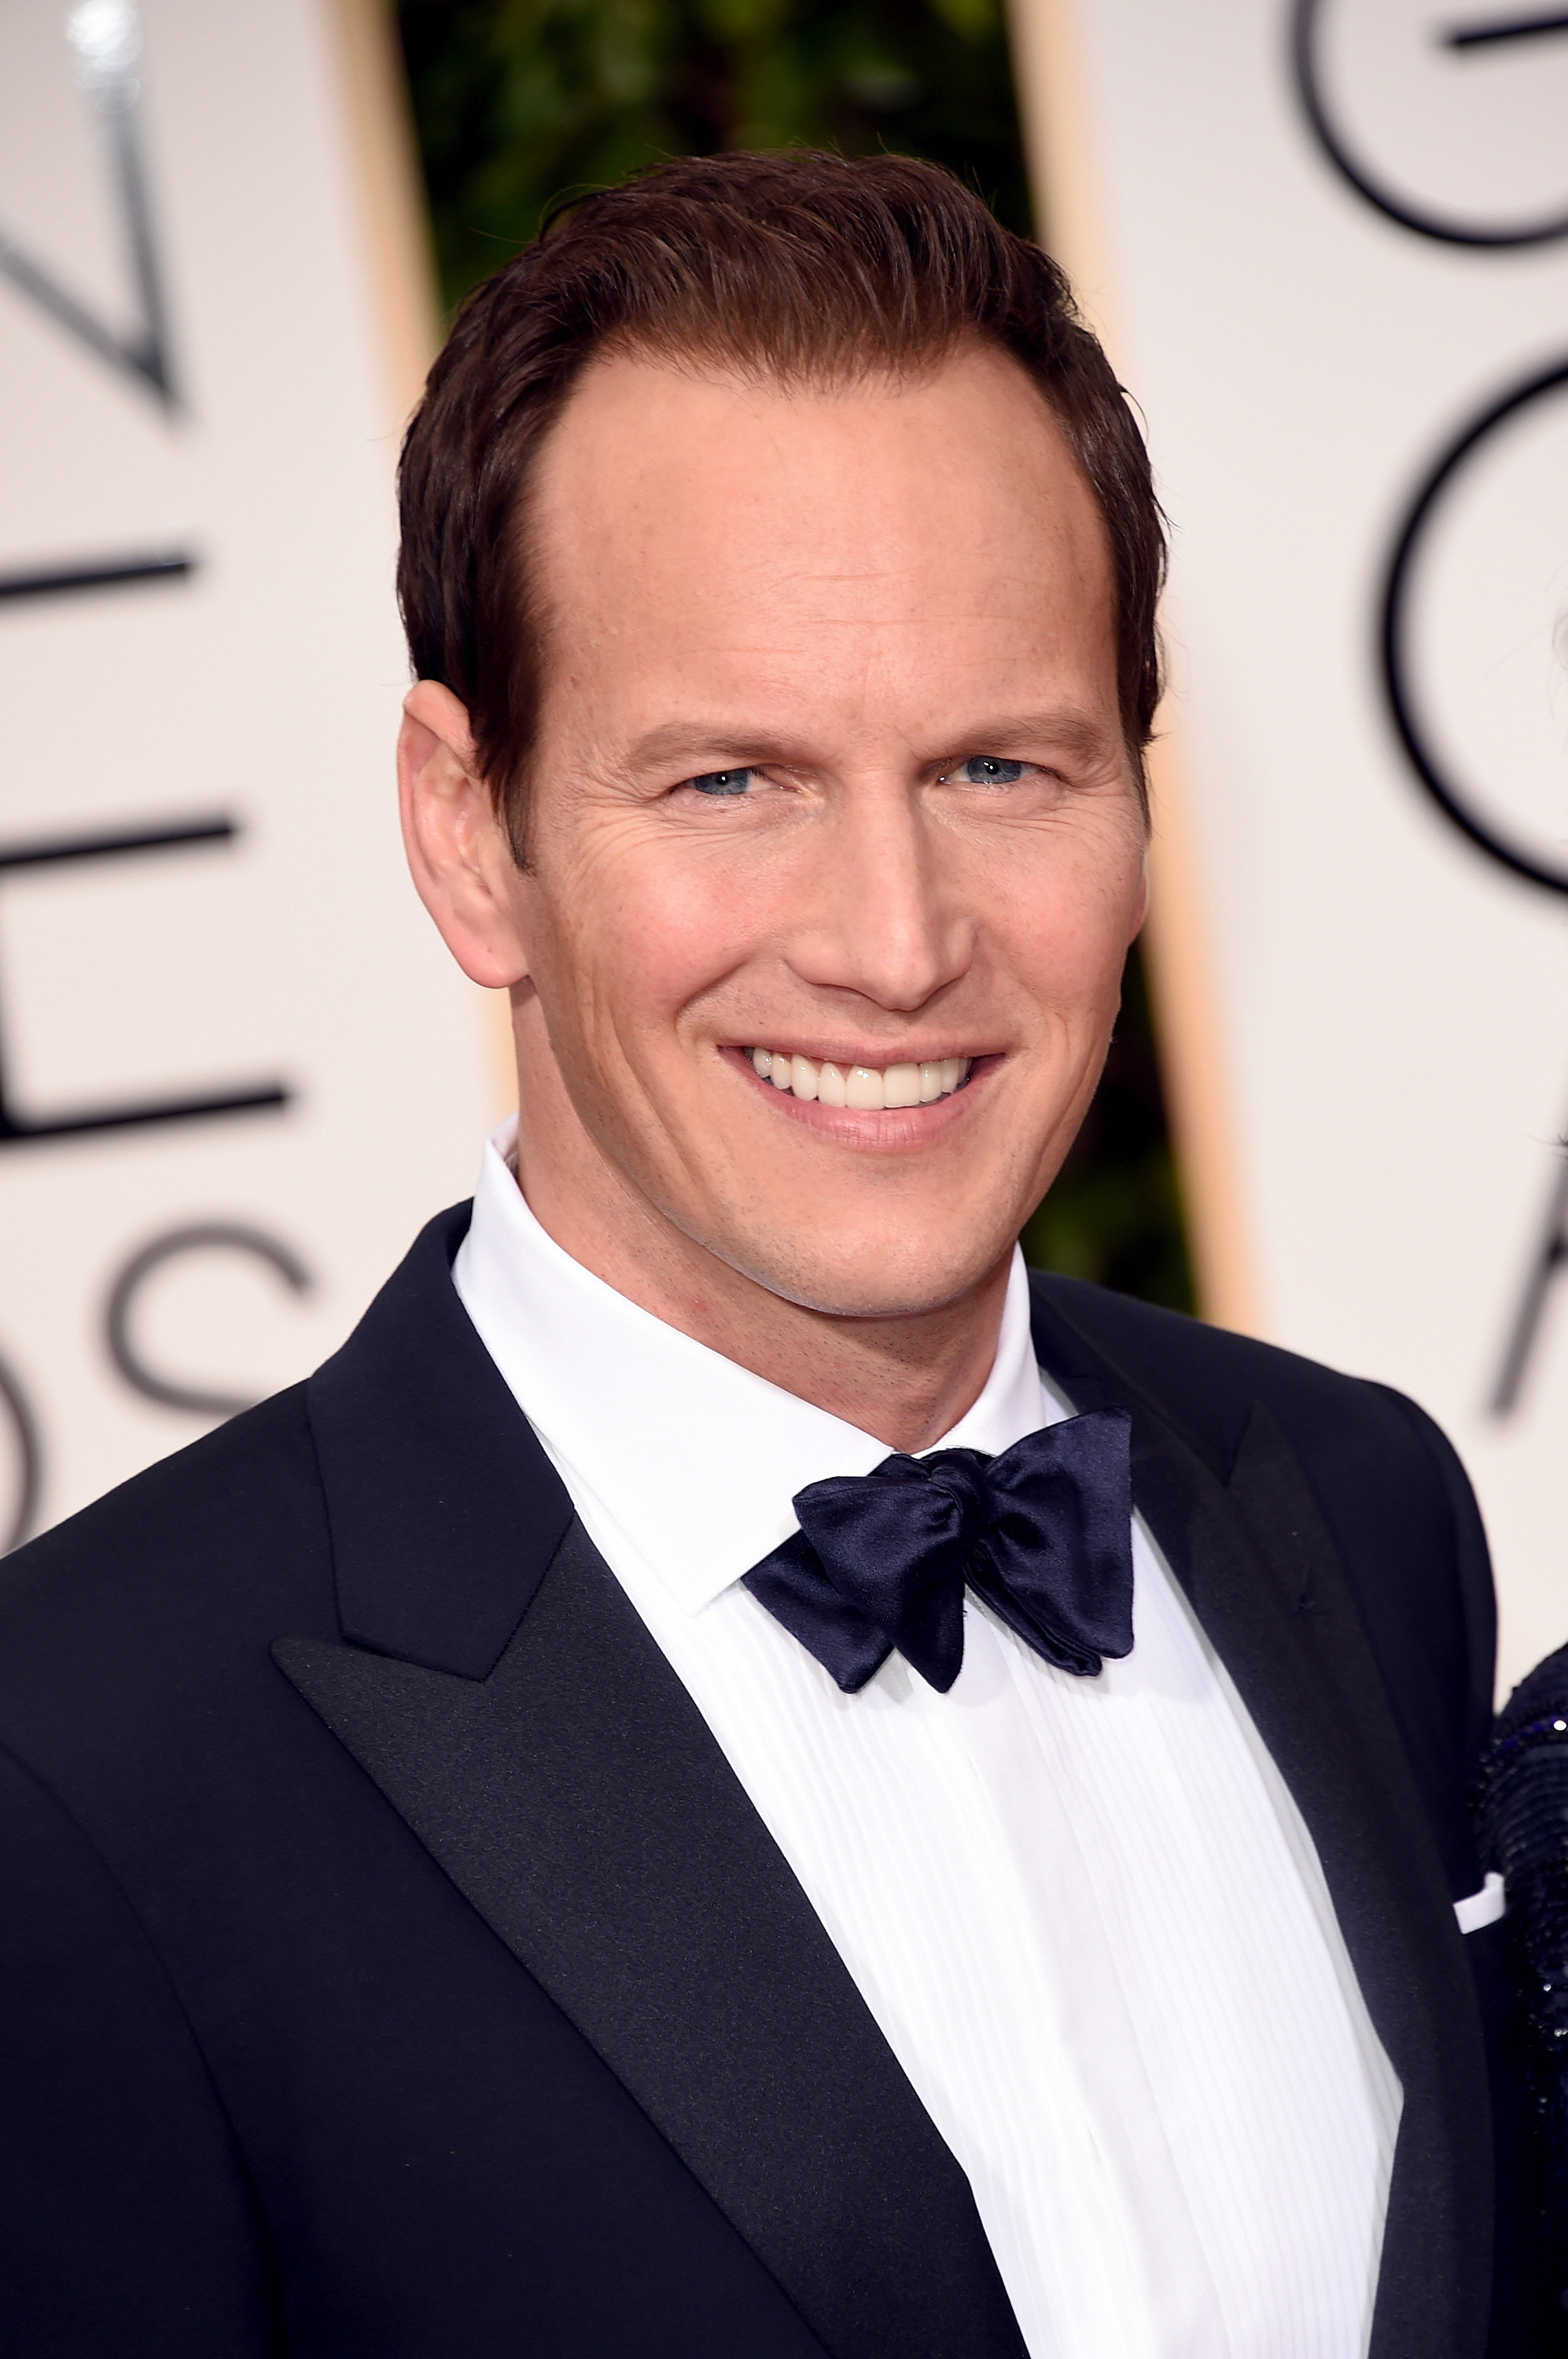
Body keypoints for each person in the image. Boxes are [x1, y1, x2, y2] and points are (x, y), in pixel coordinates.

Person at [0, 151, 1521, 2357]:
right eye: (731, 782)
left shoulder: (1357, 1513)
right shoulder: (80, 1778)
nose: (895, 945)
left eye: (999, 768)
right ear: (471, 836)